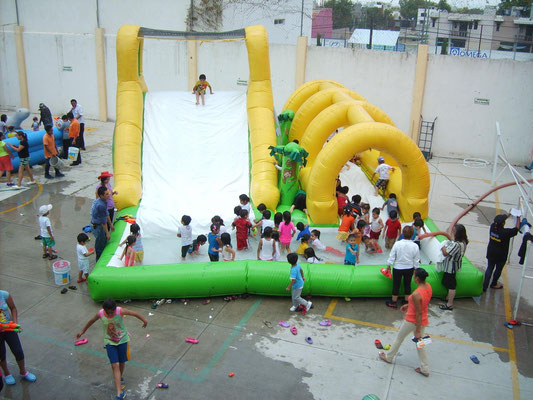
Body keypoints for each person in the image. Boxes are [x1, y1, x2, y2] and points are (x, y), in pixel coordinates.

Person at [76, 298, 147, 400]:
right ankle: (119, 393)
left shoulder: (120, 311)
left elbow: (134, 313)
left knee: (122, 362)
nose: (109, 314)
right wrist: (83, 331)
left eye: (111, 312)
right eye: (107, 312)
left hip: (122, 340)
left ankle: (119, 377)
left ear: (115, 309)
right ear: (104, 310)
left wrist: (144, 320)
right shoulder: (100, 314)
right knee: (115, 365)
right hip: (109, 342)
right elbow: (91, 321)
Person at [379, 268, 432, 377]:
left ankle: (389, 357)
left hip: (412, 321)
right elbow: (422, 303)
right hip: (423, 320)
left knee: (399, 338)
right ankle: (425, 368)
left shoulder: (417, 294)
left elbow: (418, 312)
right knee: (420, 344)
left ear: (416, 278)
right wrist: (408, 305)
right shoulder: (428, 287)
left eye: (414, 275)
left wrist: (417, 330)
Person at [0, 290, 37, 386]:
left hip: (9, 329)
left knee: (18, 351)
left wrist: (15, 323)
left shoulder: (4, 295)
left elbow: (13, 308)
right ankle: (6, 373)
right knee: (1, 354)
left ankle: (23, 371)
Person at [385, 225, 420, 308]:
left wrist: (388, 265)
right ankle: (406, 301)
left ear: (403, 234)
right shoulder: (415, 246)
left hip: (398, 268)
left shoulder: (397, 244)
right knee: (407, 284)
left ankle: (394, 301)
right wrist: (416, 268)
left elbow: (392, 256)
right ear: (412, 234)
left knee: (396, 284)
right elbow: (416, 259)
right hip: (409, 268)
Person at [484, 213, 520, 291]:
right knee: (498, 269)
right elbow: (517, 228)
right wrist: (518, 217)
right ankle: (493, 283)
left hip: (491, 252)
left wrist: (509, 214)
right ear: (503, 223)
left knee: (489, 268)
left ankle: (484, 286)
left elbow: (499, 221)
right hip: (501, 255)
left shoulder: (493, 227)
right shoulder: (506, 232)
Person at [439, 224, 468, 310]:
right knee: (447, 281)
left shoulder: (457, 245)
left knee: (451, 284)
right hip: (453, 265)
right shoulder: (463, 242)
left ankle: (450, 304)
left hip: (451, 266)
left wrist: (443, 247)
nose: (452, 232)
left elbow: (446, 253)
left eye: (454, 231)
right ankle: (448, 298)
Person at [91, 186, 114, 261]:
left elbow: (106, 213)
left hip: (97, 222)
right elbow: (103, 222)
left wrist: (110, 224)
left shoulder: (102, 201)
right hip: (98, 225)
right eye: (106, 194)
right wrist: (107, 233)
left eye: (108, 193)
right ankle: (99, 259)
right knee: (100, 242)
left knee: (103, 240)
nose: (109, 195)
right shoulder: (100, 205)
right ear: (101, 195)